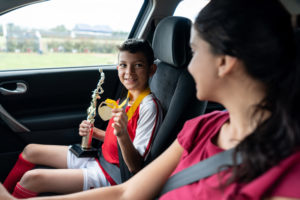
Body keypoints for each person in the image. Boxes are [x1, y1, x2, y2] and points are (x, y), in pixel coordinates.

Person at [1, 0, 300, 199]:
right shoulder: (203, 127)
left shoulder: (289, 177)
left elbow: (130, 175)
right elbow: (127, 193)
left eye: (194, 53)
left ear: (224, 62)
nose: (188, 66)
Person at [2, 38, 163, 198]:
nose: (129, 72)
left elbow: (135, 167)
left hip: (113, 175)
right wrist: (96, 133)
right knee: (30, 150)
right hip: (100, 157)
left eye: (138, 65)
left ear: (152, 69)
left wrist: (122, 134)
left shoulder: (148, 107)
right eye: (123, 65)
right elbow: (115, 139)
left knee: (32, 179)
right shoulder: (128, 97)